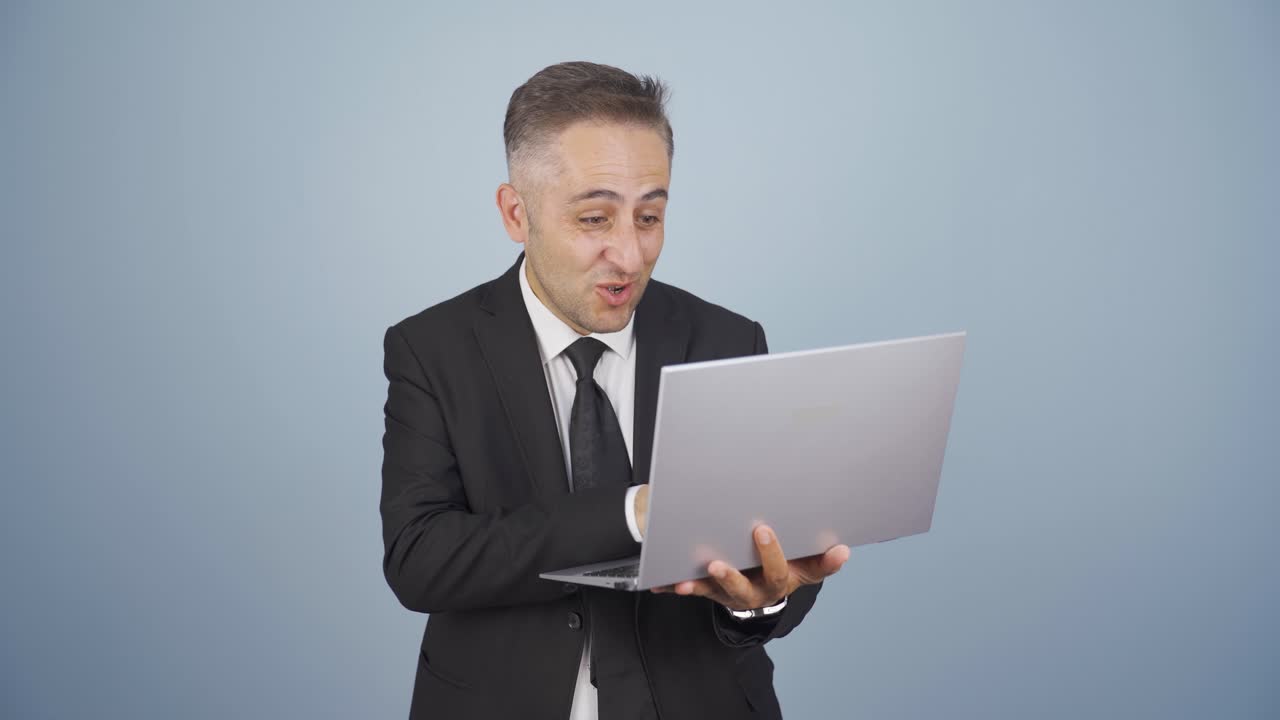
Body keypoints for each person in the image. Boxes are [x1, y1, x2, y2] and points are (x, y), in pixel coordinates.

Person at [380, 60, 851, 720]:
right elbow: (419, 559)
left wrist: (765, 599)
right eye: (596, 219)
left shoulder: (727, 339)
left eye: (650, 216)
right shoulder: (431, 349)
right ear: (517, 213)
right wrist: (633, 514)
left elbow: (768, 566)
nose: (630, 257)